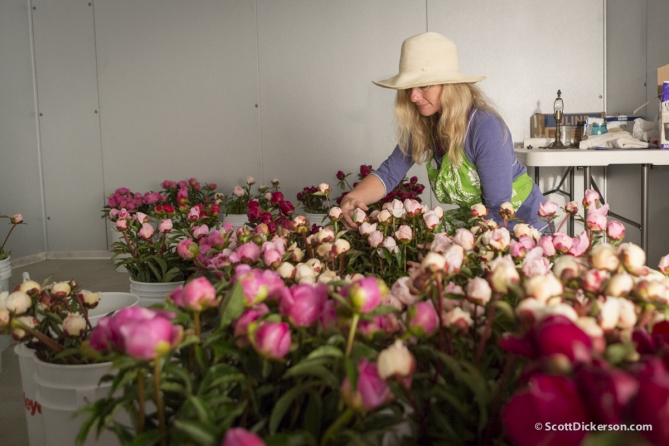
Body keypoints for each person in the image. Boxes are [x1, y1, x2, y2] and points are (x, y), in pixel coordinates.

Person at [340, 32, 547, 232]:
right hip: (481, 221)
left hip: (522, 227)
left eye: (423, 85)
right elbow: (388, 173)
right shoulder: (425, 124)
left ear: (449, 85)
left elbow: (498, 209)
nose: (413, 97)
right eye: (409, 87)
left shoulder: (486, 128)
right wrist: (354, 197)